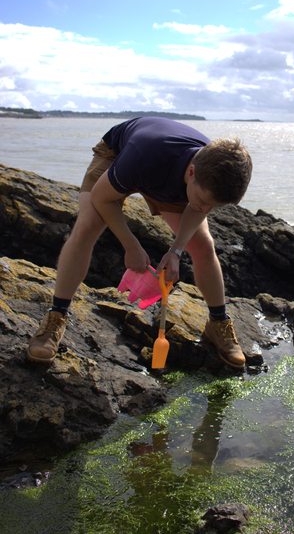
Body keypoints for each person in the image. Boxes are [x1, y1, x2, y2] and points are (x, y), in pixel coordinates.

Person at [27, 117, 253, 369]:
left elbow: (197, 208)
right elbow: (103, 199)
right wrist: (131, 245)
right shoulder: (144, 158)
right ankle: (56, 316)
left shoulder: (213, 170)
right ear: (191, 173)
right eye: (204, 200)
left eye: (214, 206)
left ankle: (218, 323)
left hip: (168, 173)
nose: (206, 209)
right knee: (86, 227)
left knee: (202, 245)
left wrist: (176, 251)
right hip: (121, 154)